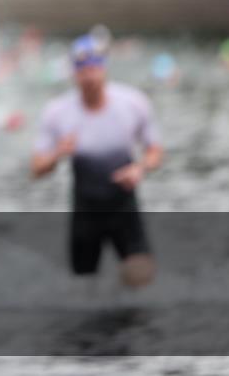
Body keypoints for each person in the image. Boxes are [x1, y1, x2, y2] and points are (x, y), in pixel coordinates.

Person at [31, 33, 163, 289]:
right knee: (83, 290)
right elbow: (36, 169)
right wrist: (58, 153)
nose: (89, 77)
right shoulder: (58, 112)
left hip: (123, 204)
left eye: (94, 69)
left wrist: (140, 168)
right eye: (83, 71)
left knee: (141, 277)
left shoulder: (132, 103)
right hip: (86, 210)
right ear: (73, 74)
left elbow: (155, 151)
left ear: (104, 68)